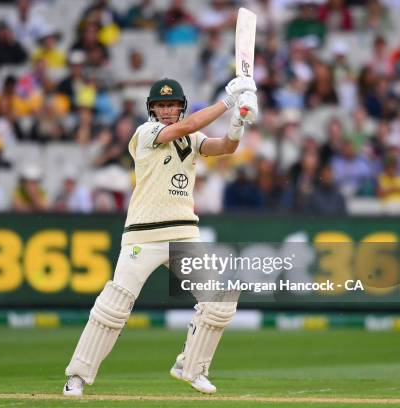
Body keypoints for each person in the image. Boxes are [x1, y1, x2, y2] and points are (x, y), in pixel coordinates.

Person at [63, 76, 258, 396]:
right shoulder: (146, 133)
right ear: (152, 110)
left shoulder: (194, 138)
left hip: (183, 233)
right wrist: (226, 103)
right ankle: (77, 377)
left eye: (171, 105)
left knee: (220, 300)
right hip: (143, 234)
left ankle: (191, 367)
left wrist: (237, 123)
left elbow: (225, 147)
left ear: (180, 107)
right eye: (160, 105)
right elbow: (180, 129)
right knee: (113, 307)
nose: (166, 110)